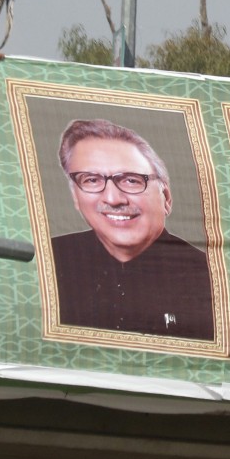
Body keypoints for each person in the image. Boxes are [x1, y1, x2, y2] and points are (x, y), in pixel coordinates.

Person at [50, 119, 214, 340]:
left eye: (131, 180)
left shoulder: (211, 280)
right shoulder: (46, 262)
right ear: (76, 197)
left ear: (165, 198)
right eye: (91, 180)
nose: (113, 198)